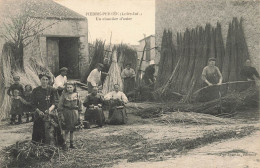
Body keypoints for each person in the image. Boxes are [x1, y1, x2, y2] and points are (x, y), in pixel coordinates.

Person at [31, 73, 62, 145]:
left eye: (46, 80)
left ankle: (52, 145)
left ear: (48, 81)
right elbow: (33, 103)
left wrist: (49, 110)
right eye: (43, 79)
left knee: (52, 130)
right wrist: (38, 111)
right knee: (38, 130)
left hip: (51, 112)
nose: (44, 81)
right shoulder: (36, 90)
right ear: (40, 80)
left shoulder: (52, 90)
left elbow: (56, 102)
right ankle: (39, 145)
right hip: (39, 113)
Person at [58, 82, 82, 149]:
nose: (69, 89)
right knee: (66, 129)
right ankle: (64, 143)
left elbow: (80, 105)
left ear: (73, 88)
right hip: (66, 112)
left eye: (70, 87)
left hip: (74, 112)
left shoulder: (77, 95)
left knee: (72, 128)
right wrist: (61, 115)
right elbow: (60, 105)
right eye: (68, 87)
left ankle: (72, 143)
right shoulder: (64, 95)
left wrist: (79, 115)